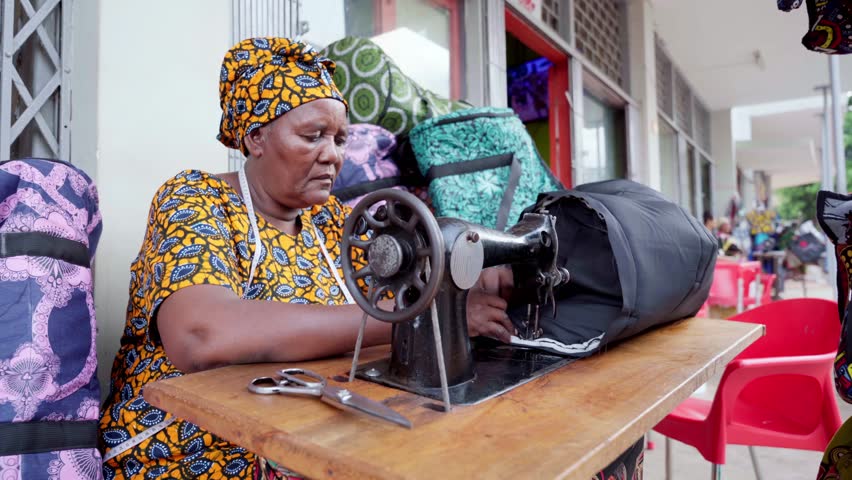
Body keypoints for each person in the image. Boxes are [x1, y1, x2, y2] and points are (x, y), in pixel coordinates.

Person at [99, 37, 515, 479]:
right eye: (312, 136)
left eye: (339, 139)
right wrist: (408, 317)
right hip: (191, 449)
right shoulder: (195, 200)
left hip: (307, 437)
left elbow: (405, 283)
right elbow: (201, 336)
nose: (333, 155)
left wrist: (473, 277)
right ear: (255, 137)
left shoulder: (336, 223)